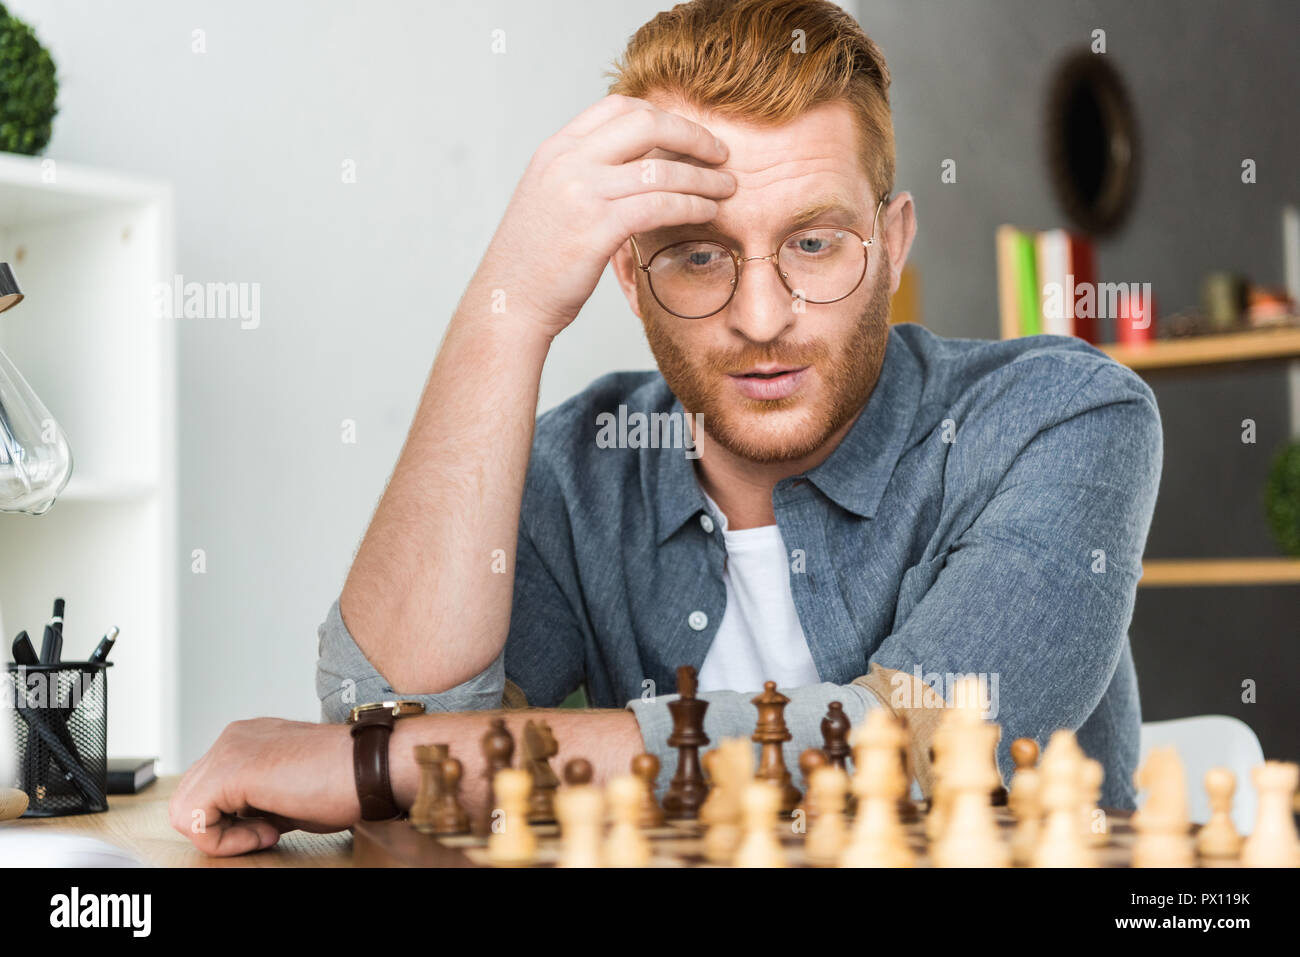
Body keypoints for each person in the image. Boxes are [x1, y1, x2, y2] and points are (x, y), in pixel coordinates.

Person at [171, 0, 1160, 856]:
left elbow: (910, 749)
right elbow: (393, 737)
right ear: (629, 280)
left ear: (892, 243)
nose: (762, 316)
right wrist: (507, 308)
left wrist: (382, 764)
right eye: (696, 257)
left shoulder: (1063, 419)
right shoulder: (580, 469)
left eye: (814, 244)